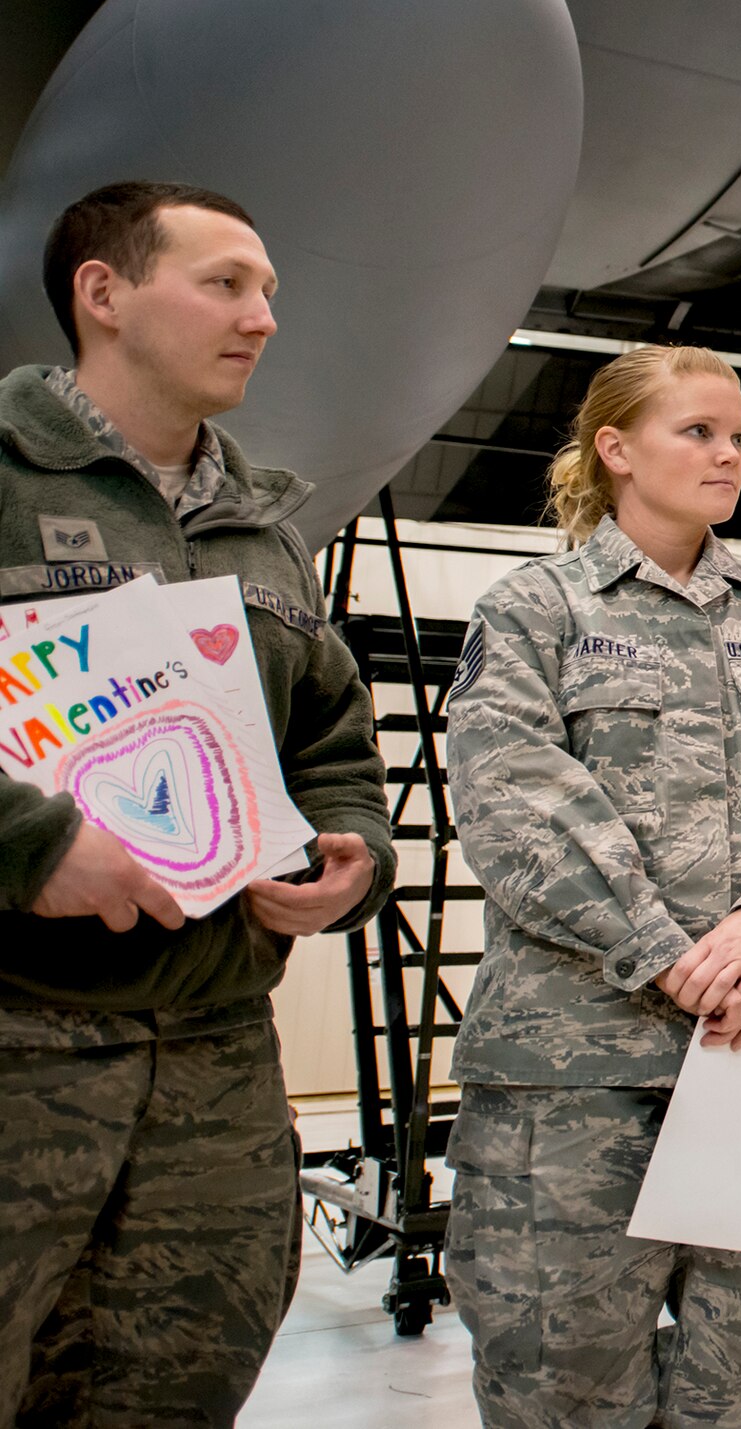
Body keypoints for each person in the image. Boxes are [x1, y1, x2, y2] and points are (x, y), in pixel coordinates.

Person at [0, 180, 394, 1423]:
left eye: (268, 289)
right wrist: (32, 843)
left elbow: (328, 736)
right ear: (103, 294)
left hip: (215, 1064)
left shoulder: (263, 524)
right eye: (225, 282)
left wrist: (353, 853)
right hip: (22, 1043)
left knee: (176, 1389)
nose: (262, 315)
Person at [443, 343, 741, 1429]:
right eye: (697, 432)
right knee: (561, 1365)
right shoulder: (534, 610)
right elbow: (518, 805)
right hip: (574, 1064)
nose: (727, 454)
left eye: (737, 437)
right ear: (615, 448)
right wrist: (670, 956)